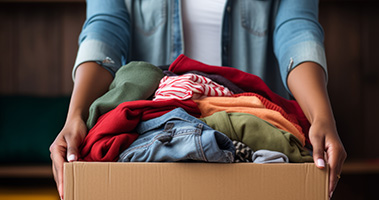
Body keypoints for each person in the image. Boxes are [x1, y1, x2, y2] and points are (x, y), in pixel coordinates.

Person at [49, 0, 347, 199]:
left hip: (256, 133)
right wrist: (76, 114)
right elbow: (105, 28)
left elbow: (297, 29)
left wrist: (321, 116)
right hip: (149, 128)